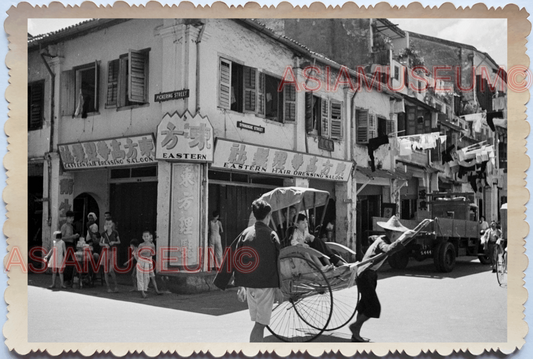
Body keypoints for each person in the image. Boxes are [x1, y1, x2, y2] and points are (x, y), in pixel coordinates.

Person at [348, 216, 429, 342]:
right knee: (374, 307)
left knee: (364, 305)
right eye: (398, 234)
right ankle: (355, 326)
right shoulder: (382, 241)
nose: (399, 236)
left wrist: (416, 231)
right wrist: (404, 236)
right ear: (393, 233)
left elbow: (399, 245)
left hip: (370, 274)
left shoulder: (385, 239)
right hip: (365, 274)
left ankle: (355, 335)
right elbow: (389, 250)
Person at [213, 199, 283, 342]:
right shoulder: (272, 235)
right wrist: (280, 288)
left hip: (250, 285)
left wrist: (233, 283)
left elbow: (232, 255)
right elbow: (277, 264)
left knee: (259, 322)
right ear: (268, 216)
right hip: (265, 285)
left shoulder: (245, 233)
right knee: (260, 324)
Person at [137, 230, 162, 298]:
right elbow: (138, 253)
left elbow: (153, 253)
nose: (146, 237)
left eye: (147, 236)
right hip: (142, 261)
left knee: (151, 276)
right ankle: (142, 292)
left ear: (149, 236)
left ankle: (156, 290)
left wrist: (149, 254)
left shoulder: (152, 245)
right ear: (142, 237)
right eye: (144, 236)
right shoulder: (141, 245)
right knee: (141, 276)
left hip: (149, 261)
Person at [100, 216, 120, 292]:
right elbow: (100, 243)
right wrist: (105, 244)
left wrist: (114, 242)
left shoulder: (115, 233)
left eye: (110, 224)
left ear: (112, 224)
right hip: (105, 251)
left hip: (113, 251)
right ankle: (108, 287)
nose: (108, 225)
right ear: (105, 224)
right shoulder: (103, 234)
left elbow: (119, 241)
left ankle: (116, 286)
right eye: (107, 224)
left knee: (111, 270)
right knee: (106, 270)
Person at [61, 210, 80, 286]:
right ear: (67, 218)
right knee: (67, 263)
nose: (72, 219)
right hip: (66, 245)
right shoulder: (64, 226)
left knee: (71, 263)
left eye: (73, 218)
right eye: (70, 218)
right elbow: (61, 238)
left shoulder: (72, 226)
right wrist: (72, 237)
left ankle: (69, 279)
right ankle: (65, 280)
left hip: (72, 245)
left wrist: (75, 236)